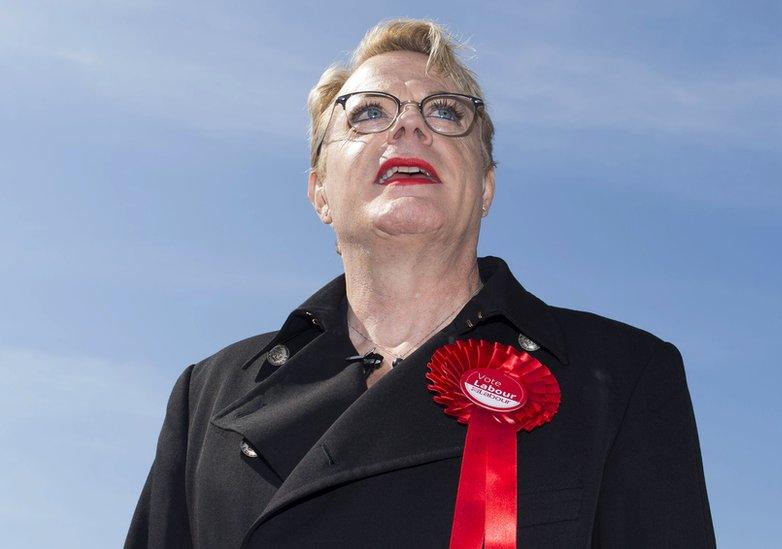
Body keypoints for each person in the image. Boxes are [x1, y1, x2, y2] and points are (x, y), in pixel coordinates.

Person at [125, 18, 716, 548]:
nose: (409, 125)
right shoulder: (208, 396)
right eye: (369, 113)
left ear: (485, 187)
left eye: (446, 112)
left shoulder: (623, 377)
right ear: (320, 192)